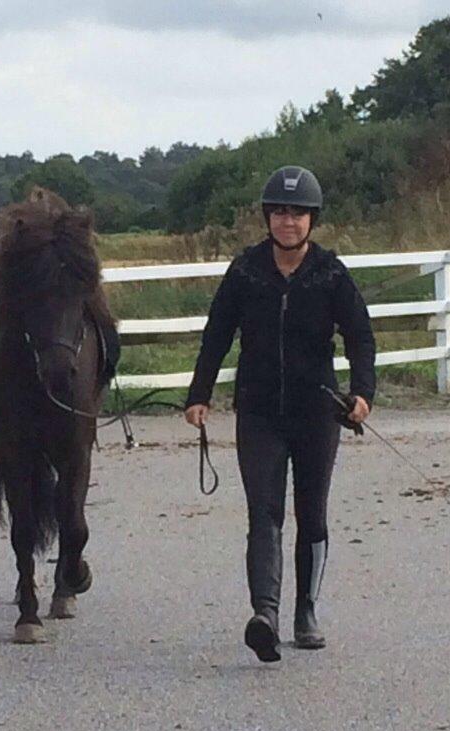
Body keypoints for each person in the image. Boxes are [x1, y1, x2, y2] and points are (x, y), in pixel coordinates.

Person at [184, 166, 376, 662]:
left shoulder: (332, 274)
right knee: (263, 512)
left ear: (312, 220)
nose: (289, 221)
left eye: (298, 213)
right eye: (280, 212)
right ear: (268, 217)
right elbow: (217, 335)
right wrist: (199, 393)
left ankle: (305, 611)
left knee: (311, 513)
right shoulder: (245, 272)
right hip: (259, 410)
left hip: (316, 413)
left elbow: (360, 337)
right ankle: (264, 614)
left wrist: (362, 393)